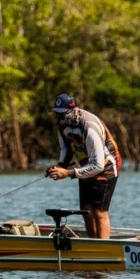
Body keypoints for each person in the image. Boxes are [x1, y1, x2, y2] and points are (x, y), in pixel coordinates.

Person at [45, 94, 122, 239]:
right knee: (86, 210)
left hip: (106, 167)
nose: (59, 117)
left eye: (62, 113)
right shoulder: (62, 125)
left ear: (72, 111)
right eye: (57, 113)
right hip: (86, 165)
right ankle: (92, 243)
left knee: (99, 211)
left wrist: (67, 173)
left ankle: (102, 247)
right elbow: (66, 149)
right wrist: (59, 167)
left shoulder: (89, 127)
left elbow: (98, 165)